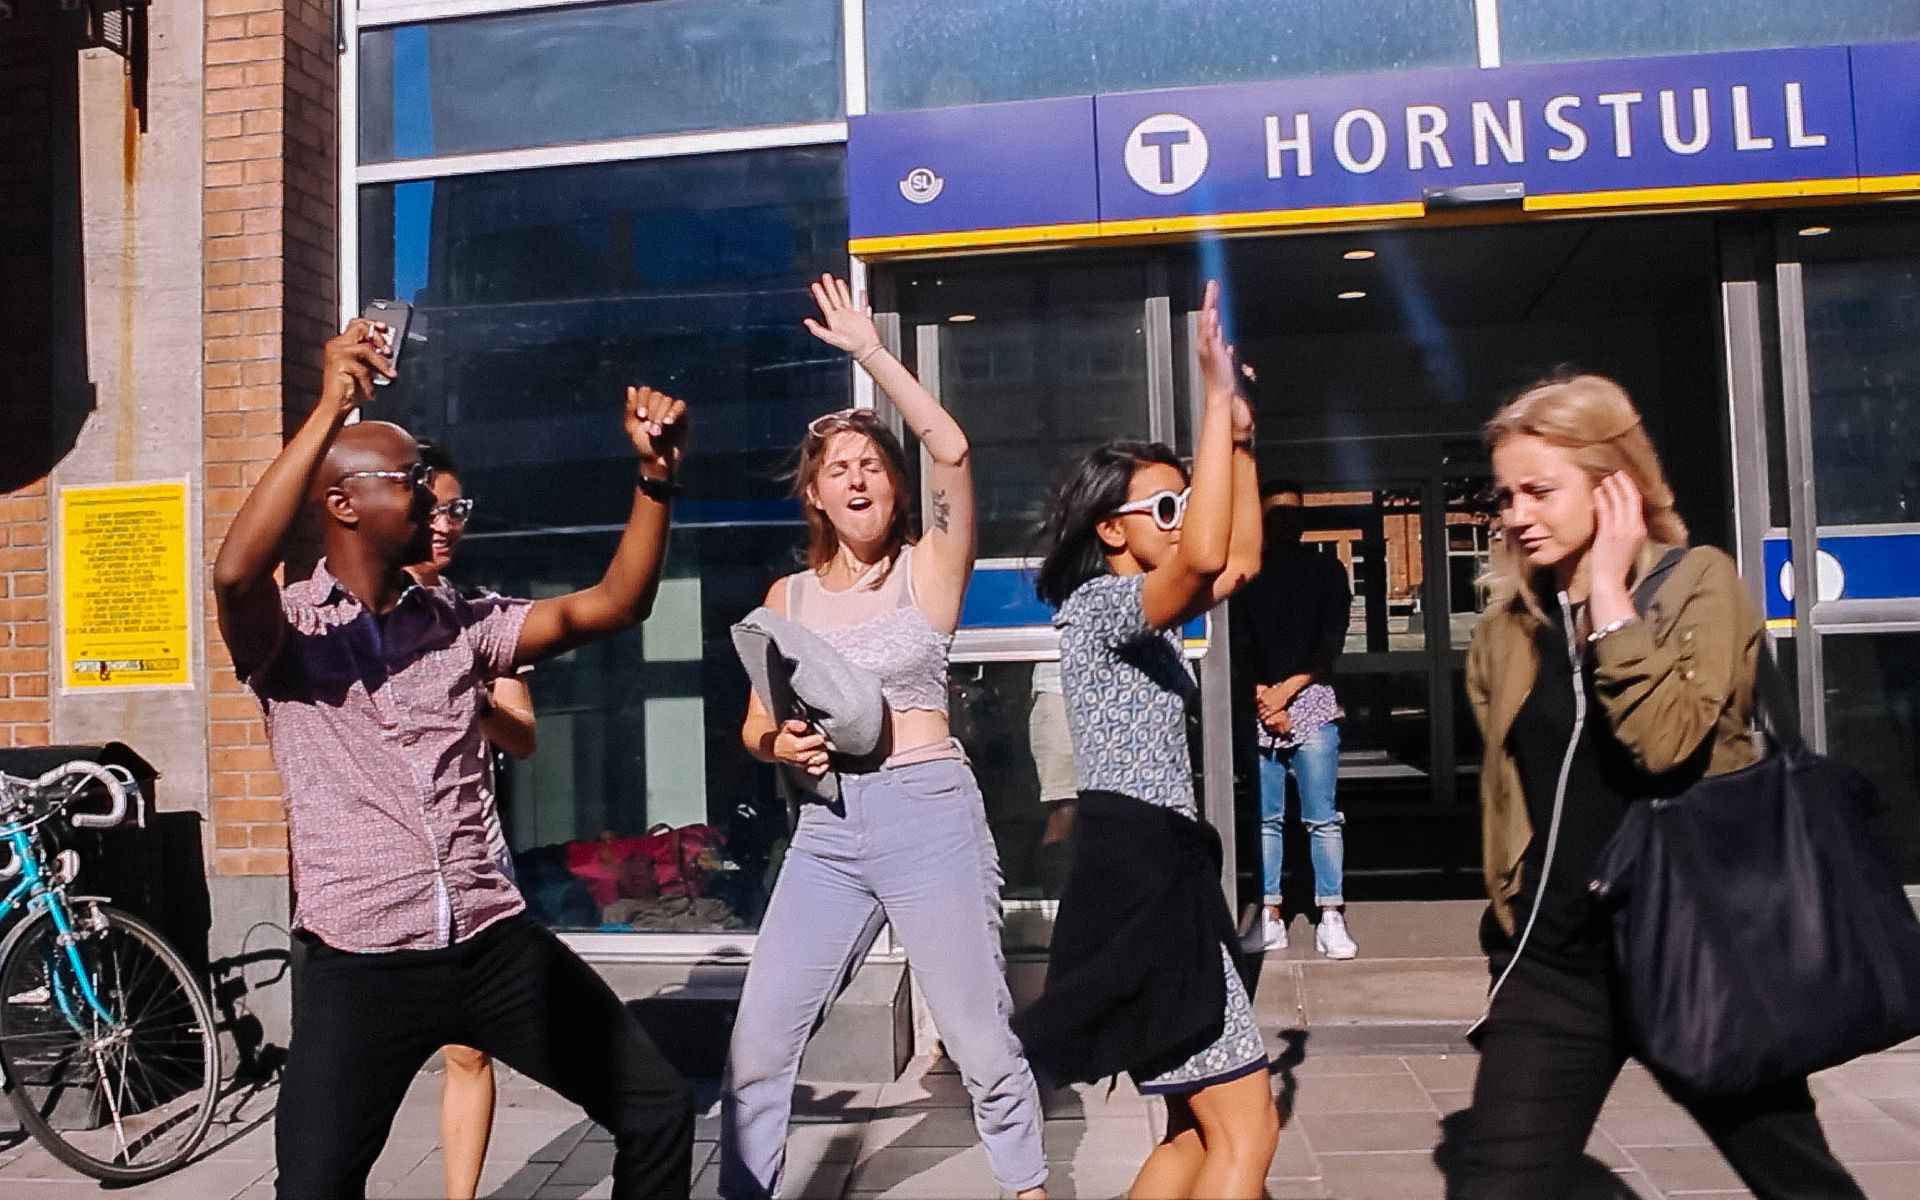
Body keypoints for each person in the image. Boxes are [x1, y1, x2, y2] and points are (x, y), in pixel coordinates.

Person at [213, 318, 696, 1200]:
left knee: (660, 1108)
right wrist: (328, 407)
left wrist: (655, 479)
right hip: (360, 966)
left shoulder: (463, 623)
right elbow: (235, 575)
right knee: (312, 1190)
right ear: (344, 502)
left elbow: (617, 605)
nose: (441, 509)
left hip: (491, 945)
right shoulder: (290, 636)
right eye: (413, 486)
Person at [1452, 372, 1863, 1199]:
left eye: (1539, 491)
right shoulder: (1506, 628)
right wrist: (1508, 922)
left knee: (1797, 1180)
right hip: (1555, 962)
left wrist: (1609, 599)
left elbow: (1665, 744)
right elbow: (1510, 790)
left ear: (1614, 485)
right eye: (1505, 496)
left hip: (1697, 947)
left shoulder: (1699, 584)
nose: (1516, 515)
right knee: (1495, 1186)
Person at [721, 276, 1049, 1200]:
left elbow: (951, 446)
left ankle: (1027, 1186)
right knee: (757, 1045)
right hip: (828, 832)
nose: (857, 476)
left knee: (979, 1036)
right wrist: (779, 748)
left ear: (891, 487)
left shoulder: (929, 569)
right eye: (839, 470)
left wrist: (870, 355)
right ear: (817, 498)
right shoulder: (786, 601)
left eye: (871, 463)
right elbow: (756, 723)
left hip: (927, 810)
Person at [1022, 281, 1276, 1199]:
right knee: (1247, 1127)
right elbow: (1210, 555)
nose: (1184, 520)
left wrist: (1240, 442)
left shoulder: (1147, 622)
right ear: (1111, 530)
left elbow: (1237, 559)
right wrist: (1213, 403)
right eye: (1165, 508)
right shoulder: (1097, 608)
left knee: (1188, 1131)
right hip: (1142, 871)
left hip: (1160, 869)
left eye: (1184, 502)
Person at [406, 441, 538, 1200]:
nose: (447, 525)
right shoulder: (348, 620)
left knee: (468, 1050)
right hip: (377, 873)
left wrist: (474, 697)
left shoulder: (477, 616)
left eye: (457, 510)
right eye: (433, 509)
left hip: (469, 859)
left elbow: (522, 737)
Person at [1237, 480, 1356, 958]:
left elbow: (1329, 645)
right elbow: (1236, 646)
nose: (1285, 522)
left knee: (1322, 818)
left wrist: (1283, 696)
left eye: (1293, 513)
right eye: (1276, 514)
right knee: (1266, 819)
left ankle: (1330, 914)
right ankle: (1270, 914)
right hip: (1261, 703)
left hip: (1312, 702)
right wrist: (1264, 698)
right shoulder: (1248, 574)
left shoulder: (1327, 569)